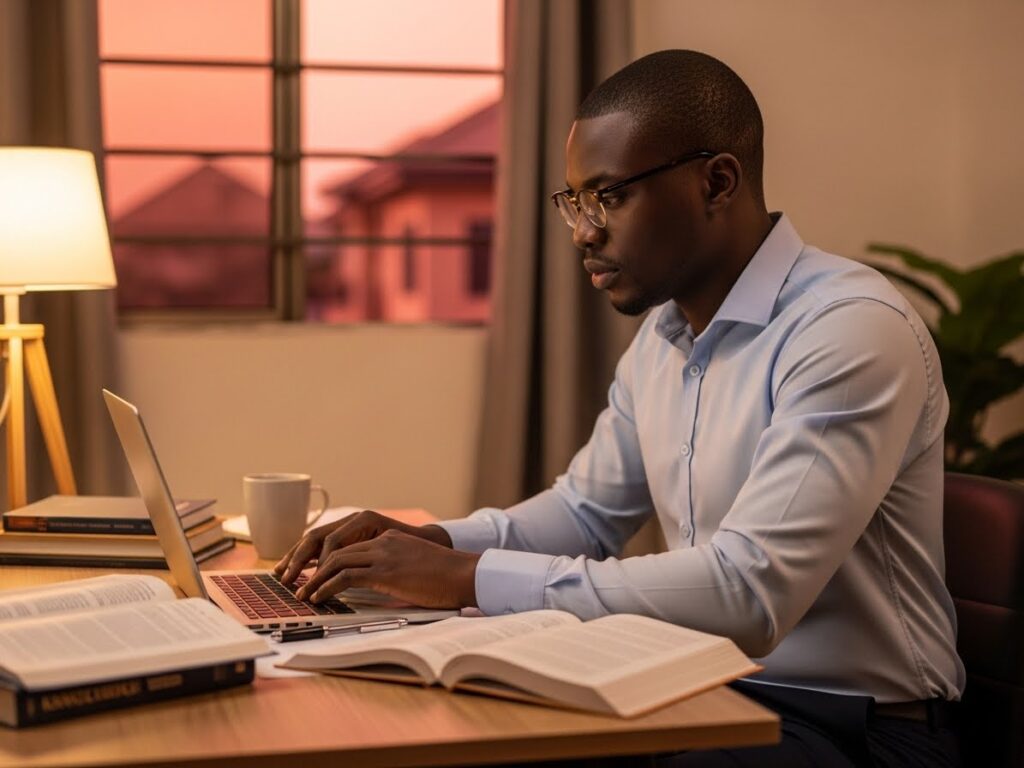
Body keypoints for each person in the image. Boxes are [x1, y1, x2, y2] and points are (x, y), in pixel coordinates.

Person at [276, 50, 964, 766]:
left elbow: (749, 593)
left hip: (858, 727)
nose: (583, 232)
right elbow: (584, 513)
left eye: (609, 196)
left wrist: (469, 577)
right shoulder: (663, 340)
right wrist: (434, 545)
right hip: (700, 686)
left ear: (717, 181)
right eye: (573, 201)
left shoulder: (846, 329)